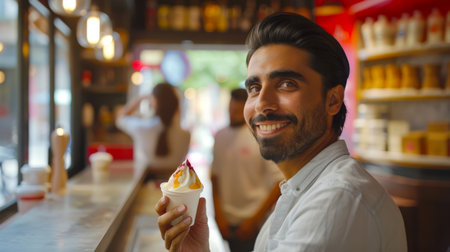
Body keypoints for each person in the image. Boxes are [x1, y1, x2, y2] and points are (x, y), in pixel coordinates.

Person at [155, 12, 407, 252]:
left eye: (287, 84)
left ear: (333, 100)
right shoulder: (302, 188)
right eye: (254, 87)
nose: (262, 103)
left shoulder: (337, 200)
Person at [211, 88, 283, 252]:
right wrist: (218, 216)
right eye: (230, 109)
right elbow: (214, 178)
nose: (232, 114)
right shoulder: (220, 136)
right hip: (227, 222)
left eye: (237, 111)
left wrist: (255, 219)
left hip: (254, 223)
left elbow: (281, 182)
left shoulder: (262, 137)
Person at [116, 83, 190, 177]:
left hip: (146, 186)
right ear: (176, 104)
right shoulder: (186, 135)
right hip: (175, 187)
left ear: (154, 101)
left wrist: (141, 98)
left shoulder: (142, 128)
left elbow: (120, 117)